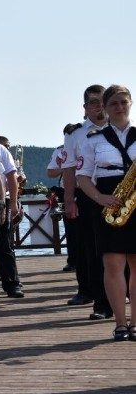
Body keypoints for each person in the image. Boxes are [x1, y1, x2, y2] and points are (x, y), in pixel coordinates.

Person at [76, 84, 136, 340]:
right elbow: (83, 176)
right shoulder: (94, 139)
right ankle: (120, 323)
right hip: (109, 198)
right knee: (113, 264)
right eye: (114, 103)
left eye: (124, 102)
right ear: (106, 107)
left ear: (130, 103)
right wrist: (100, 198)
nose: (119, 107)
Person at [62, 85, 112, 319]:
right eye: (93, 102)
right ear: (85, 107)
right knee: (93, 250)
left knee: (126, 249)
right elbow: (69, 168)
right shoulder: (76, 134)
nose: (98, 106)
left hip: (118, 191)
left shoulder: (122, 129)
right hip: (88, 193)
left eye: (102, 101)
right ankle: (101, 303)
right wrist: (69, 200)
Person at [0, 135, 25, 300]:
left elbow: (12, 177)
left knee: (4, 244)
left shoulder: (0, 150)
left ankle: (12, 284)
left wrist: (13, 203)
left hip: (0, 198)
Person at [47, 144, 80, 276]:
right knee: (71, 229)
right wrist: (64, 167)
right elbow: (50, 173)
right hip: (68, 190)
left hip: (88, 189)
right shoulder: (60, 150)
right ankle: (72, 261)